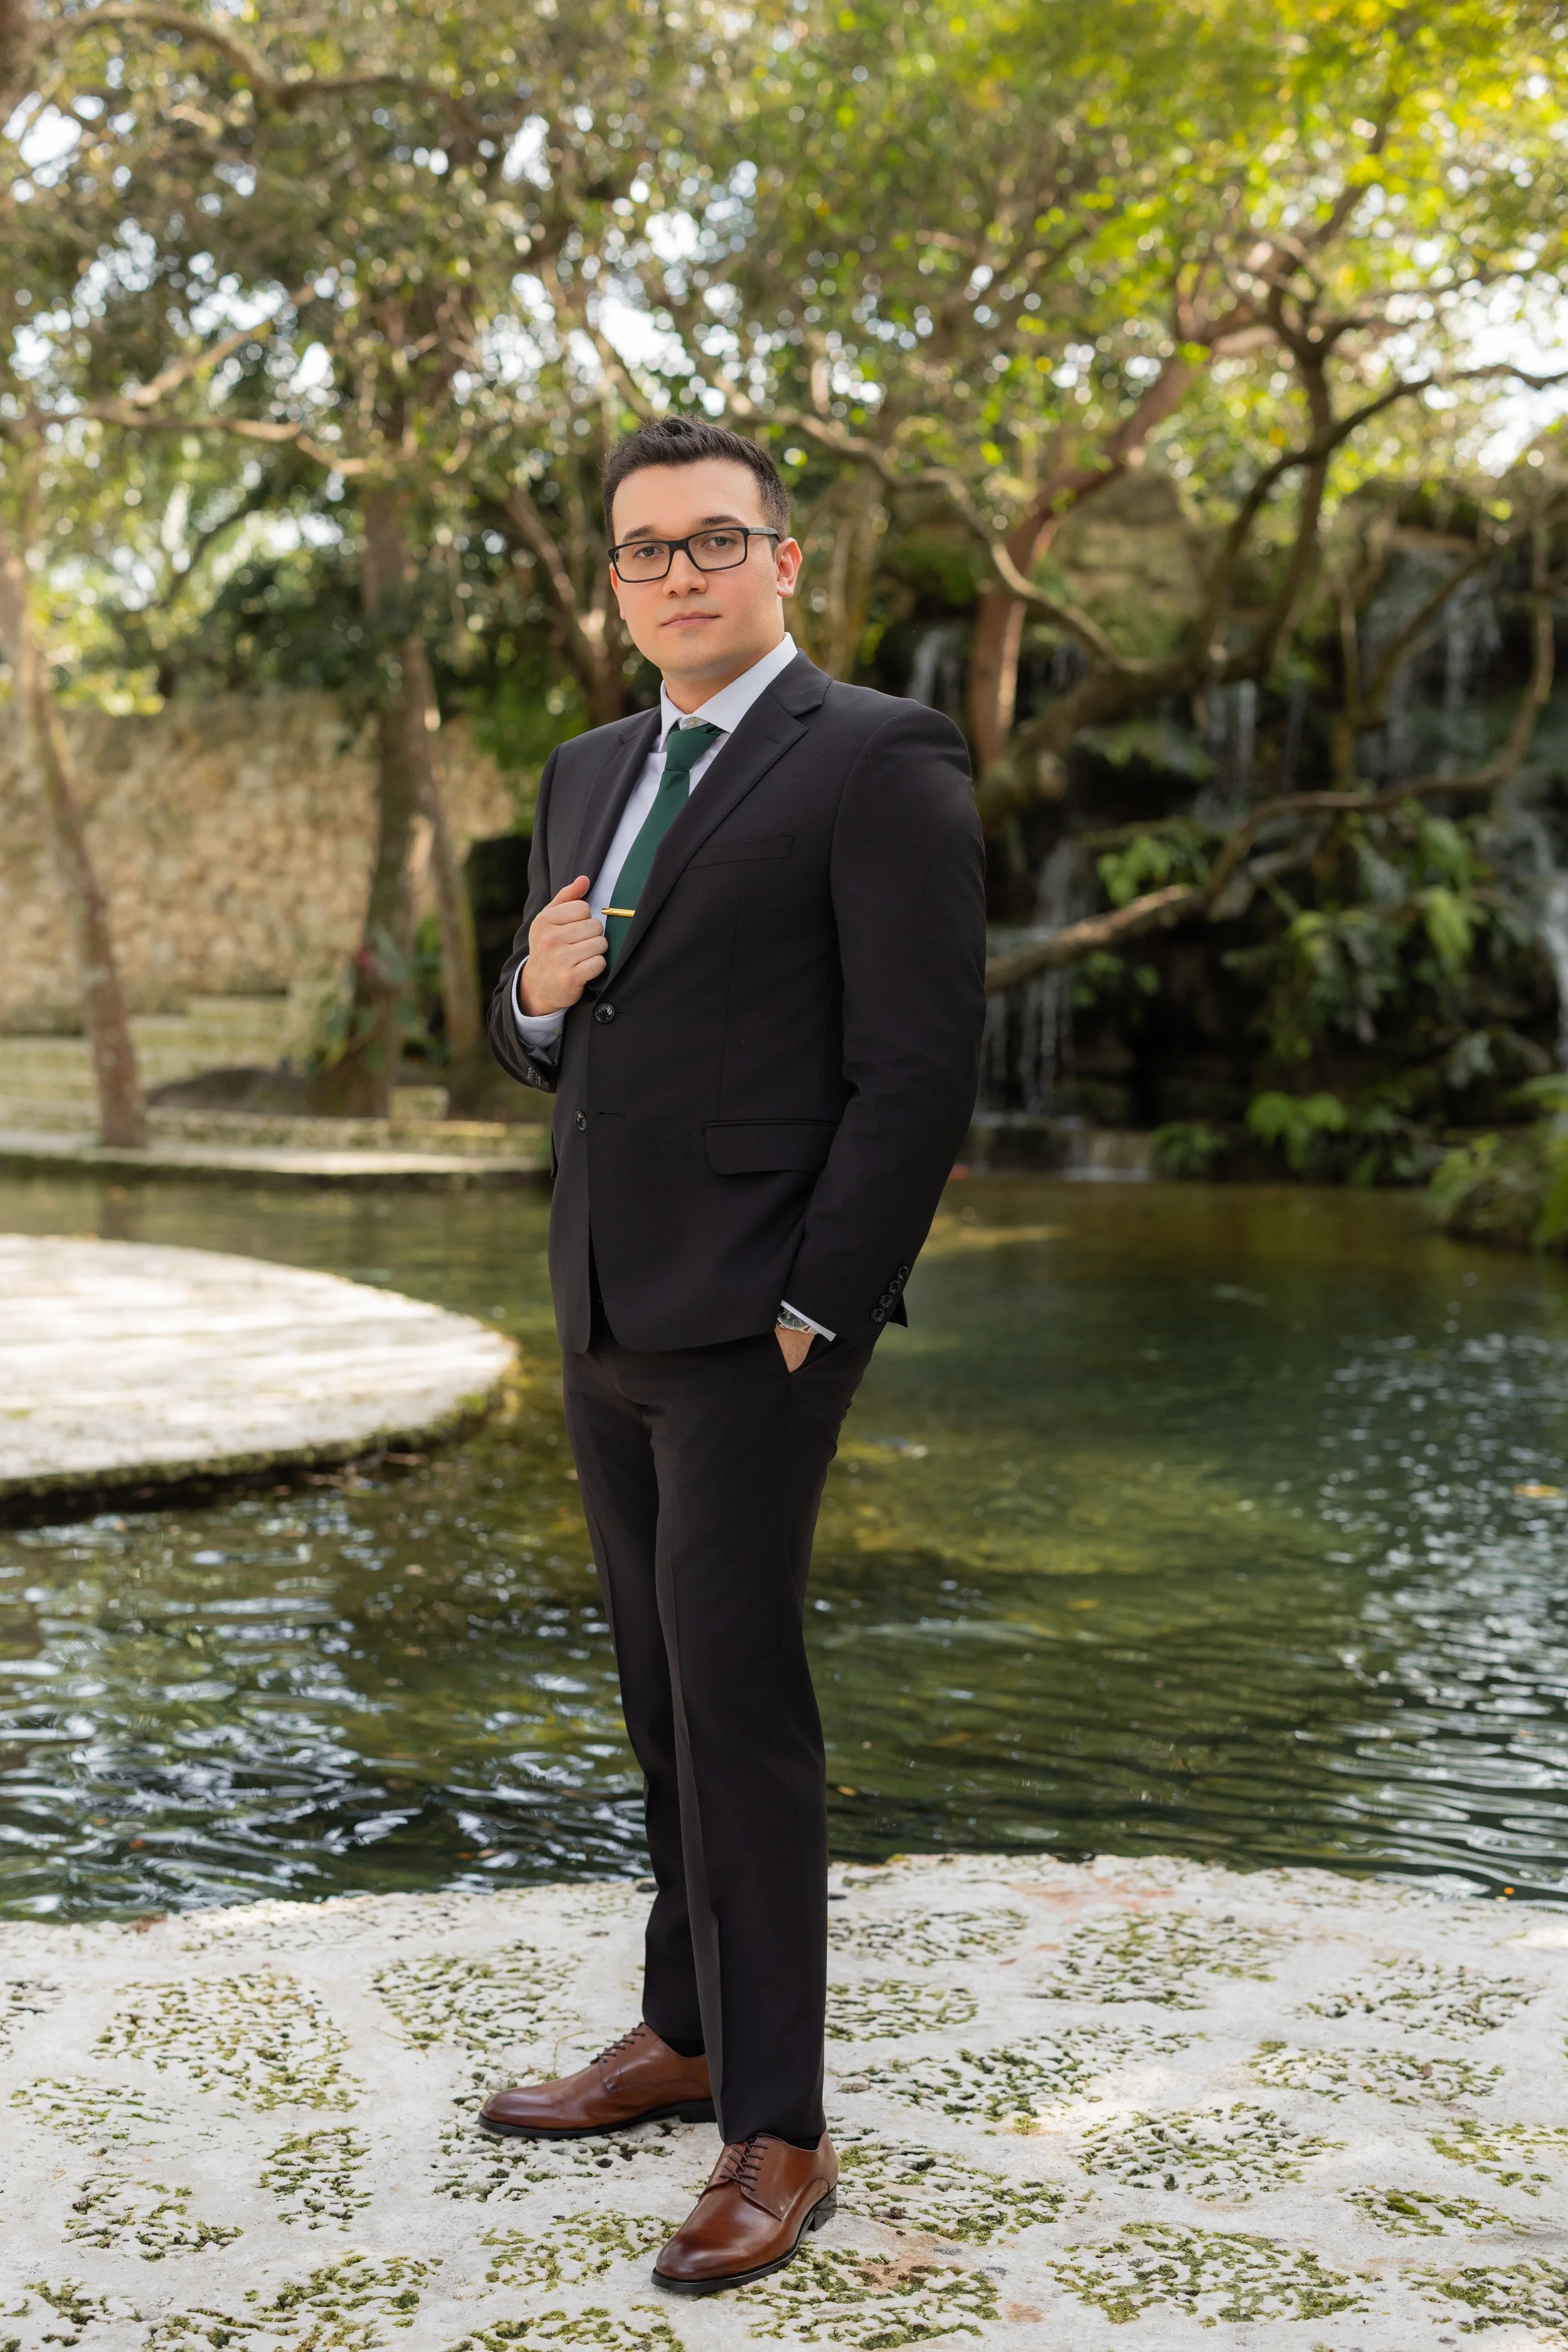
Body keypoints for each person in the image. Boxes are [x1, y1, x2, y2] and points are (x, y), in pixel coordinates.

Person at [482, 415, 986, 2294]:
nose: (678, 572)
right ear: (613, 587)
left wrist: (816, 1305)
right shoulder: (586, 768)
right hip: (605, 1301)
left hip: (758, 1323)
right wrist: (528, 1004)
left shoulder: (876, 756)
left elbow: (921, 1061)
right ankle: (680, 2027)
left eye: (714, 539)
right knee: (654, 1689)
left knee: (741, 1705)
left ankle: (775, 2123)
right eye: (643, 549)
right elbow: (550, 1027)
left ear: (784, 560)